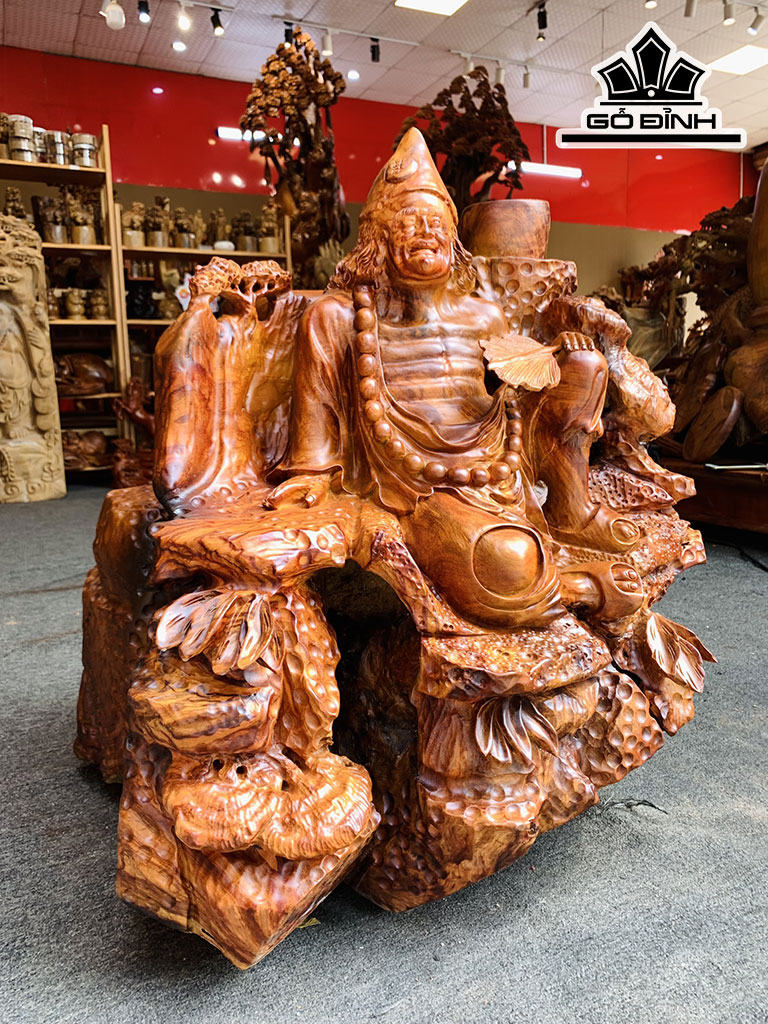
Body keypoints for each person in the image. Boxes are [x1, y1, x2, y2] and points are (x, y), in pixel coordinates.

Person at [269, 128, 641, 627]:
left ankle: (571, 512)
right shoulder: (337, 317)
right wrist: (313, 477)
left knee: (586, 367)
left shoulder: (484, 314)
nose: (426, 231)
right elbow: (315, 412)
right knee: (505, 559)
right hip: (414, 482)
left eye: (436, 222)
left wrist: (553, 356)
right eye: (409, 221)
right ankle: (577, 587)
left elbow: (509, 389)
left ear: (453, 238)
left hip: (494, 455)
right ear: (379, 237)